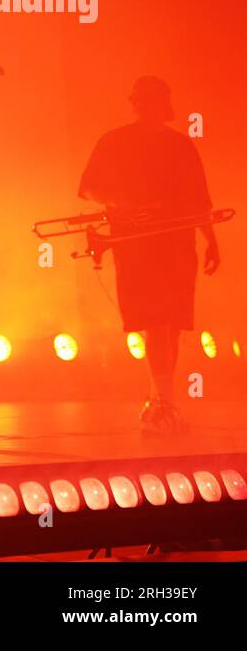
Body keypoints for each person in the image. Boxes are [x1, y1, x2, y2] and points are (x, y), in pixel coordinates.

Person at [78, 76, 220, 435]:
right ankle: (163, 402)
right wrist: (121, 204)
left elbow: (199, 199)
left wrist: (211, 239)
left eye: (153, 99)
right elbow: (89, 187)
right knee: (156, 320)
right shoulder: (114, 141)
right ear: (134, 103)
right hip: (136, 244)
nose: (146, 105)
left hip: (176, 243)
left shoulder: (181, 145)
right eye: (141, 99)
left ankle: (161, 400)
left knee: (171, 323)